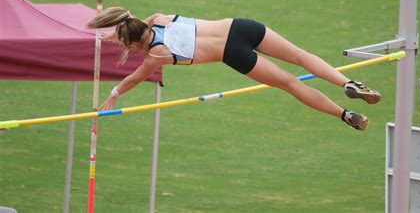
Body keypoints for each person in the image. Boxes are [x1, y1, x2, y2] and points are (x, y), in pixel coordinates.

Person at [88, 7, 381, 131]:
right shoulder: (159, 18)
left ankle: (344, 114)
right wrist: (113, 31)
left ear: (134, 45)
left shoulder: (157, 55)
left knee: (291, 84)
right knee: (302, 56)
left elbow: (133, 78)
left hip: (233, 53)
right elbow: (129, 20)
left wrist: (114, 93)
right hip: (241, 27)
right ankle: (347, 83)